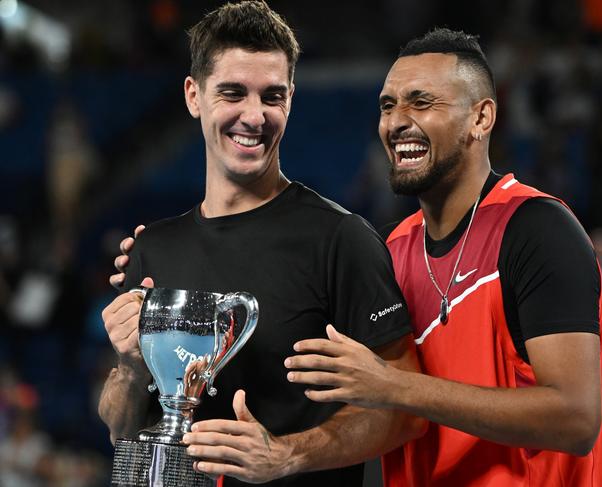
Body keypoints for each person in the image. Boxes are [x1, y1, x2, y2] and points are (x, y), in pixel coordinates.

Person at [98, 2, 425, 486]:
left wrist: (287, 454)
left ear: (291, 98)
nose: (254, 116)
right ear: (194, 95)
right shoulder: (153, 250)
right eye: (233, 92)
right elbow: (121, 429)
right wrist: (127, 367)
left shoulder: (340, 239)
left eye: (272, 96)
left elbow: (406, 409)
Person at [284, 29, 602, 486]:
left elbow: (576, 418)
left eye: (421, 103)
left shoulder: (537, 229)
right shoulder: (389, 251)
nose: (396, 121)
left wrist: (395, 386)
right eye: (387, 105)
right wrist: (281, 453)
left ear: (481, 117)